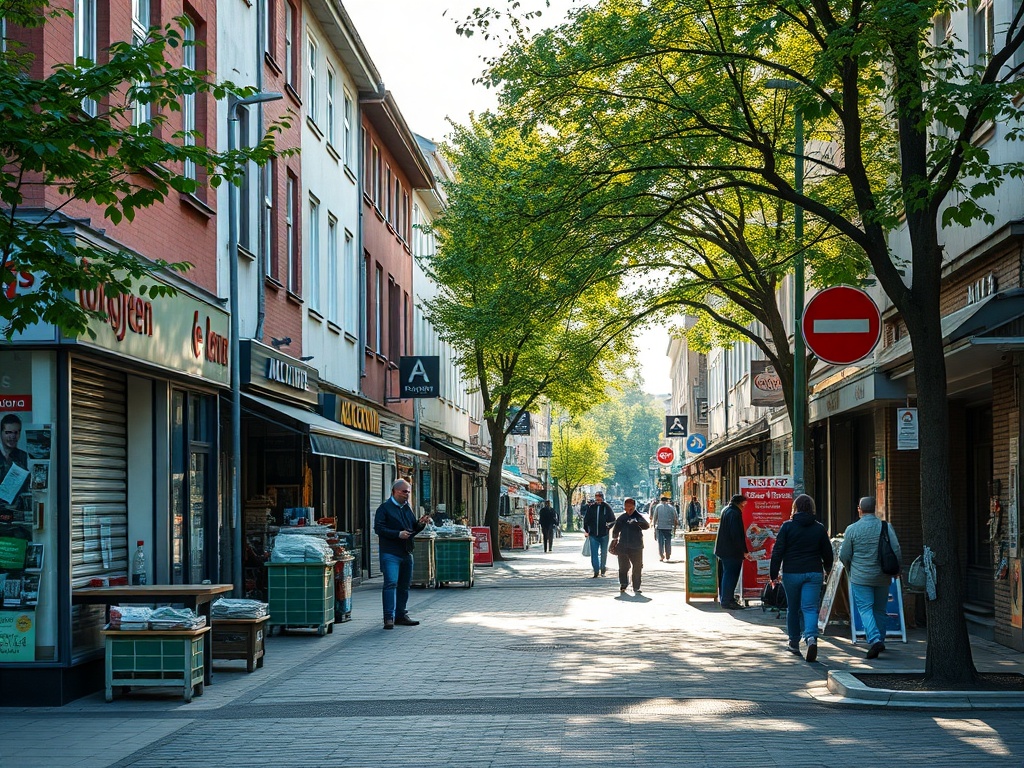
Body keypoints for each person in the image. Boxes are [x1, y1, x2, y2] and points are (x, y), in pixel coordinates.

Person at [769, 494, 834, 662]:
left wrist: (773, 574)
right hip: (813, 572)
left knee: (793, 608)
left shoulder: (787, 527)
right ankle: (811, 638)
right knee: (810, 608)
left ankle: (793, 642)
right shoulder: (819, 528)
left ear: (795, 508)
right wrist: (827, 568)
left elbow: (778, 552)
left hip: (792, 573)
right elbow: (828, 552)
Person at [840, 496, 901, 659]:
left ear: (859, 509)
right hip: (882, 576)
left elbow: (844, 554)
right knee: (880, 609)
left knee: (865, 608)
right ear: (874, 508)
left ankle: (874, 640)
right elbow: (896, 549)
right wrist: (896, 569)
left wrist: (849, 568)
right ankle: (880, 638)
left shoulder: (852, 529)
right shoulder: (885, 526)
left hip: (860, 577)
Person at [373, 479, 433, 630]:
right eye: (404, 492)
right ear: (395, 491)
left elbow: (411, 529)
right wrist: (397, 534)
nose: (407, 495)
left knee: (404, 585)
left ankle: (401, 615)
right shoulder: (384, 508)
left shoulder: (407, 508)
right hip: (390, 552)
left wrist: (420, 524)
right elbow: (379, 529)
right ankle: (388, 617)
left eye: (408, 492)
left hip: (406, 552)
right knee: (391, 583)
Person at [714, 494, 753, 609]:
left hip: (724, 549)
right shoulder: (734, 513)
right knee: (731, 575)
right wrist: (744, 551)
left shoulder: (726, 510)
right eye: (744, 505)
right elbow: (736, 535)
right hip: (731, 551)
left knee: (726, 574)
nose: (744, 507)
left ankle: (726, 597)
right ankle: (727, 600)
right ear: (741, 503)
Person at [612, 497, 650, 594]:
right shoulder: (622, 518)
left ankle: (636, 586)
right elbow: (615, 530)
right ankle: (623, 584)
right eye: (626, 506)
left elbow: (646, 526)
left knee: (637, 566)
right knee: (623, 566)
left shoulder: (638, 517)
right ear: (624, 507)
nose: (628, 508)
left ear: (634, 506)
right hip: (623, 545)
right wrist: (614, 540)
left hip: (637, 546)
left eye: (630, 506)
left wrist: (637, 523)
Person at [583, 491, 616, 577]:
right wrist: (587, 530)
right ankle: (596, 570)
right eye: (596, 497)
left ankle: (603, 569)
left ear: (602, 498)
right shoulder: (591, 508)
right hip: (593, 534)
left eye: (599, 497)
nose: (598, 499)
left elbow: (613, 520)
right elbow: (586, 520)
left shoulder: (607, 507)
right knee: (594, 553)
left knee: (604, 553)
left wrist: (608, 527)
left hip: (604, 534)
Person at [0, 414, 29, 510]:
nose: (12, 436)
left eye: (16, 432)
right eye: (8, 432)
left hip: (18, 514)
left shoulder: (24, 457)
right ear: (1, 433)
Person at [651, 495, 680, 562]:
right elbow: (675, 517)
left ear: (661, 500)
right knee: (668, 541)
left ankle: (661, 555)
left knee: (660, 542)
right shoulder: (671, 507)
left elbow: (655, 517)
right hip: (668, 527)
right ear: (667, 501)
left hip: (660, 527)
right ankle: (668, 554)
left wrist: (654, 524)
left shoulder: (658, 507)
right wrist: (675, 526)